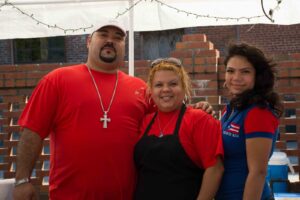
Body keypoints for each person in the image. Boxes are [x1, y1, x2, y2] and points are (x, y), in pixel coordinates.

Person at [13, 20, 213, 200]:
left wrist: (196, 109)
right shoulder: (57, 80)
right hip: (69, 195)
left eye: (117, 38)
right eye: (103, 35)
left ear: (123, 46)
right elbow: (32, 131)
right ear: (89, 41)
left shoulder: (141, 88)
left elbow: (168, 115)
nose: (110, 41)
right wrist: (22, 180)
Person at [134, 57, 224, 200]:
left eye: (173, 84)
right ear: (150, 90)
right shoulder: (144, 121)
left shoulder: (200, 119)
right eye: (158, 85)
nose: (165, 89)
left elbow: (215, 169)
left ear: (184, 87)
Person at [215, 43, 284, 200]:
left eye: (245, 72)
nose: (236, 78)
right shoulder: (232, 108)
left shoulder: (258, 112)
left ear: (257, 76)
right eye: (230, 71)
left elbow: (258, 172)